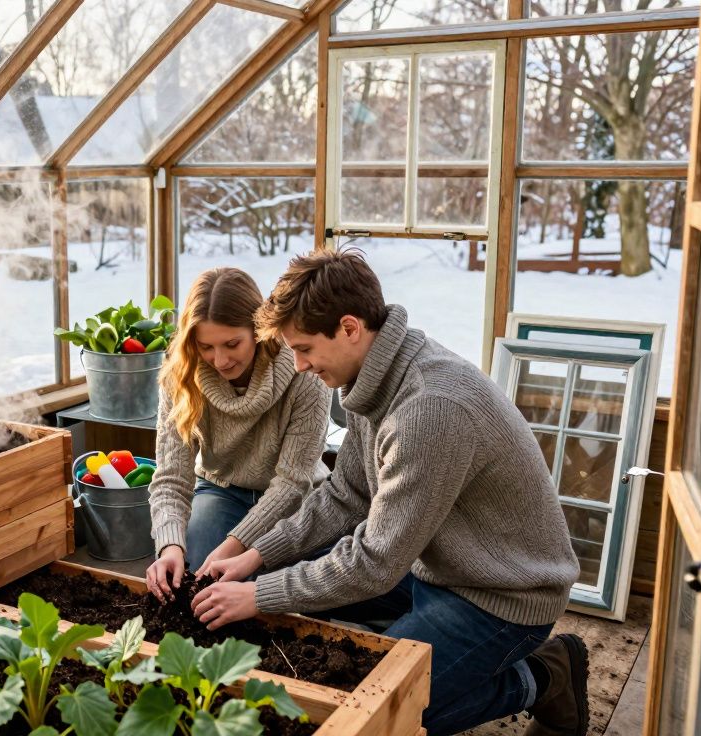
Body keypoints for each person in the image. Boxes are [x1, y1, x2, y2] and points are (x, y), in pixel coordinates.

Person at [189, 250, 588, 736]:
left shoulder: (429, 409)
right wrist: (255, 558)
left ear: (350, 328)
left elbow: (374, 563)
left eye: (306, 348)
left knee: (382, 716)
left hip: (500, 594)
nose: (298, 365)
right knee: (282, 581)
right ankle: (424, 642)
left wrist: (258, 595)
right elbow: (345, 495)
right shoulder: (370, 377)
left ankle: (544, 674)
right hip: (432, 564)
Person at [144, 267, 331, 602]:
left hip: (297, 499)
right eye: (206, 347)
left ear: (259, 330)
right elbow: (172, 476)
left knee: (293, 595)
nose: (220, 360)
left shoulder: (304, 370)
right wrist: (169, 545)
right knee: (199, 584)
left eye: (232, 344)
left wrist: (234, 546)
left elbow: (292, 482)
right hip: (222, 490)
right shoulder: (182, 374)